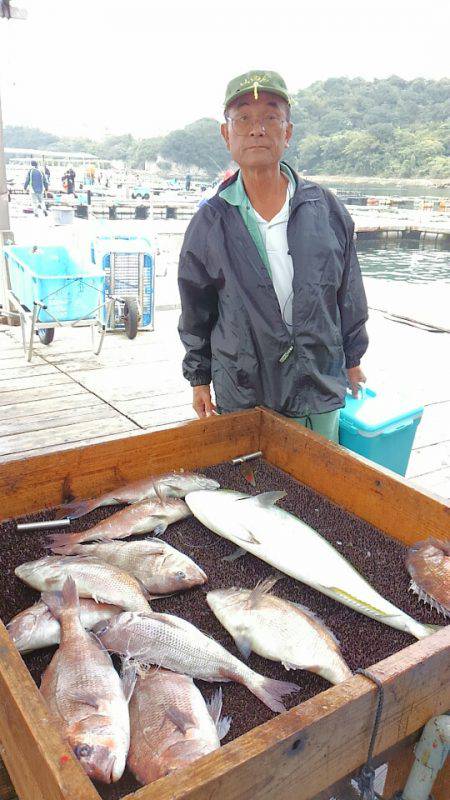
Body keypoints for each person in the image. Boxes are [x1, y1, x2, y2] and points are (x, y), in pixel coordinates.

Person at [178, 70, 368, 443]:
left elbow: (349, 290)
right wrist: (199, 378)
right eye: (243, 118)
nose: (257, 129)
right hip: (244, 384)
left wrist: (354, 358)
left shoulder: (325, 208)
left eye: (270, 116)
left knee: (320, 488)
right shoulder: (210, 221)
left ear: (288, 131)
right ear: (226, 133)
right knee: (251, 487)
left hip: (317, 380)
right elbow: (195, 308)